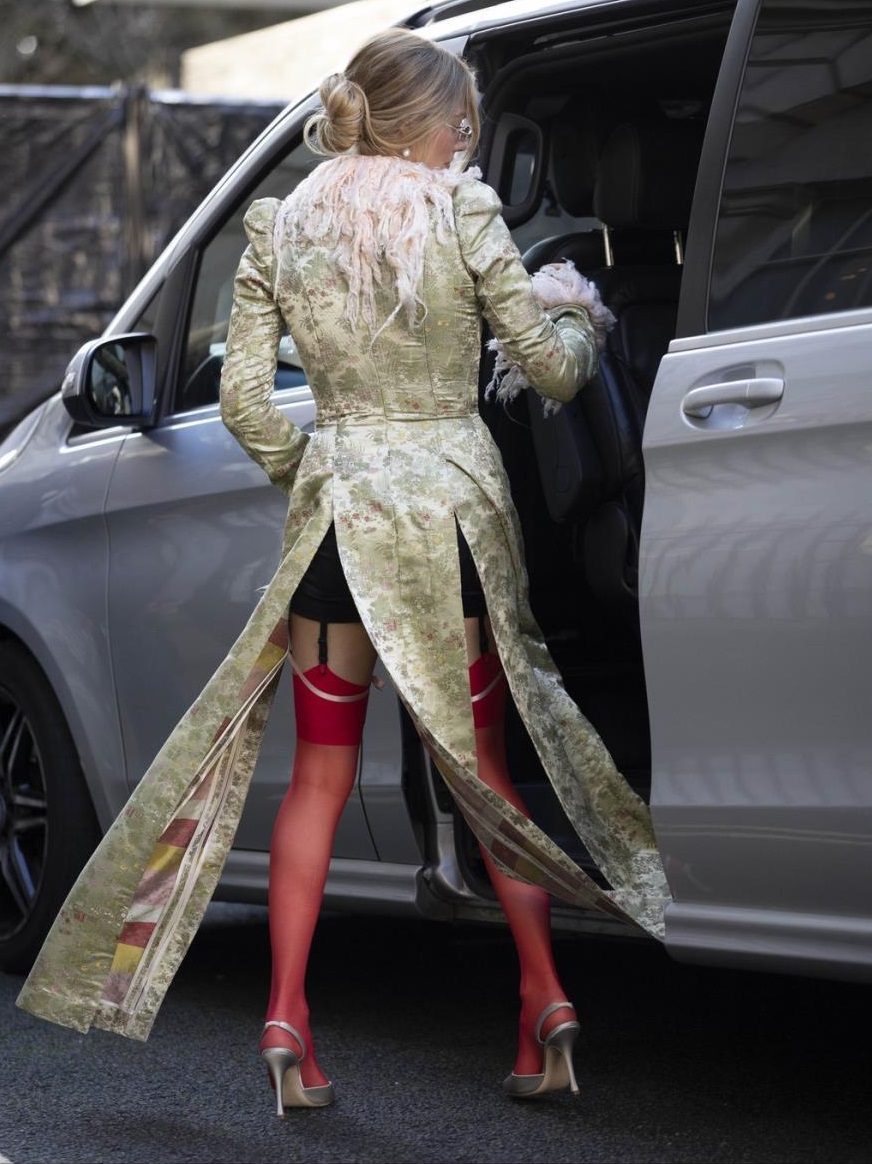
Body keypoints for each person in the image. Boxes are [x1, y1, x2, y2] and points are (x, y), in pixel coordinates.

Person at [16, 27, 671, 1118]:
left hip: (335, 525)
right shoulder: (462, 210)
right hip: (450, 518)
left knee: (318, 776)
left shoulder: (280, 223)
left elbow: (242, 404)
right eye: (463, 124)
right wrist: (573, 310)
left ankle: (285, 1017)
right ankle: (544, 997)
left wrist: (318, 469)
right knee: (483, 772)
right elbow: (554, 376)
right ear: (432, 126)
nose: (468, 143)